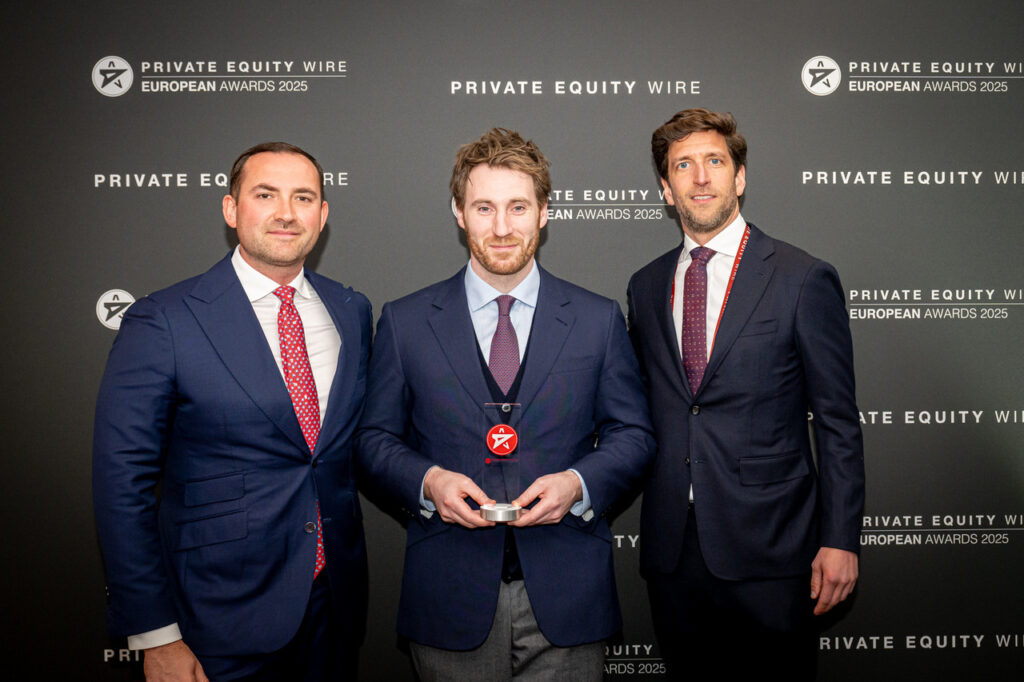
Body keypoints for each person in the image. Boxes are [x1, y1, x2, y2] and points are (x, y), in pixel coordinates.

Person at [356, 128, 654, 681]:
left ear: (544, 212)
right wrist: (428, 482)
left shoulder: (597, 318)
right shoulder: (405, 321)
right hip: (449, 595)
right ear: (458, 212)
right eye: (484, 207)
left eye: (518, 207)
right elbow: (373, 442)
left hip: (567, 595)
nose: (500, 227)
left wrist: (578, 485)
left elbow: (633, 435)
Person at [93, 142, 371, 681]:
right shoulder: (164, 320)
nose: (286, 213)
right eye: (265, 194)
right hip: (213, 621)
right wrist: (157, 634)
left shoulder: (350, 310)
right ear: (230, 208)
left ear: (323, 215)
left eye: (304, 197)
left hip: (333, 609)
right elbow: (121, 484)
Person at [626, 109, 864, 679]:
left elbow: (836, 422)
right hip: (673, 554)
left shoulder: (801, 277)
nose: (700, 177)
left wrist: (840, 539)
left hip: (774, 552)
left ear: (740, 177)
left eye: (715, 161)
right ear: (666, 187)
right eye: (683, 165)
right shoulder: (647, 283)